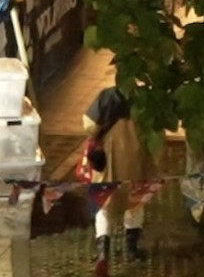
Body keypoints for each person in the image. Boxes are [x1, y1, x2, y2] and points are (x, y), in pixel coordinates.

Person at [83, 86, 155, 272]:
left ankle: (102, 253)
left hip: (108, 157)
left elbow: (89, 125)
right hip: (137, 158)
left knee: (103, 204)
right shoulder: (147, 98)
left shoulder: (107, 96)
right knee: (135, 202)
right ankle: (132, 249)